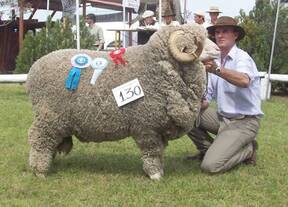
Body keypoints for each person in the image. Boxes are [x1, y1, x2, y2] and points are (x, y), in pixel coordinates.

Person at [186, 16, 264, 174]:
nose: (220, 35)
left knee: (210, 166)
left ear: (235, 35)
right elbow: (207, 100)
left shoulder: (242, 58)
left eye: (225, 31)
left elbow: (244, 80)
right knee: (186, 114)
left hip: (244, 122)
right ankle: (208, 150)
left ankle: (248, 150)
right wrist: (194, 103)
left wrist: (217, 70)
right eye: (217, 32)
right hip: (223, 119)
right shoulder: (214, 61)